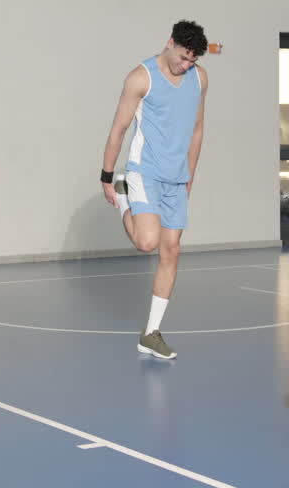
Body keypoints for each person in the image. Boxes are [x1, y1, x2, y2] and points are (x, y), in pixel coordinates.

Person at [100, 20, 209, 360]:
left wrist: (190, 173)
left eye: (192, 60)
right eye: (183, 57)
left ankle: (151, 333)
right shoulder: (140, 78)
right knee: (147, 242)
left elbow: (196, 130)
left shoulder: (200, 79)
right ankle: (124, 196)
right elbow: (119, 129)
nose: (186, 65)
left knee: (171, 250)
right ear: (170, 43)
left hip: (177, 176)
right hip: (144, 171)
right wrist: (106, 175)